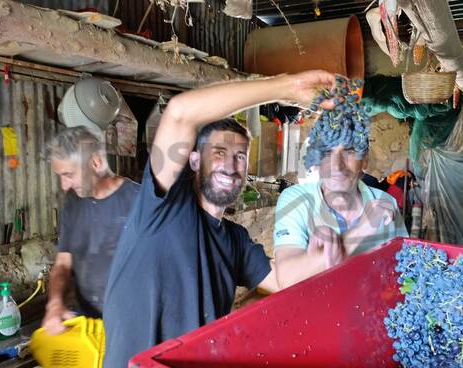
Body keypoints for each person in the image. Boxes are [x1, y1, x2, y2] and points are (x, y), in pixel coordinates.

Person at [102, 70, 337, 367]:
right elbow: (179, 113)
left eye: (240, 157)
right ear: (195, 159)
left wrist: (325, 253)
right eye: (220, 152)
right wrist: (285, 88)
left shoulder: (235, 239)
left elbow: (281, 279)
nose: (230, 165)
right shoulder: (163, 205)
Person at [273, 132, 409, 290]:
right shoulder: (296, 199)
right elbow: (287, 279)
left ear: (365, 159)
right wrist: (361, 230)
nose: (337, 165)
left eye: (350, 151)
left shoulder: (385, 202)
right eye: (327, 152)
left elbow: (404, 271)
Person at [42, 126, 139, 334]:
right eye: (60, 176)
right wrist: (55, 302)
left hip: (133, 328)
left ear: (96, 162)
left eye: (68, 175)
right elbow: (63, 264)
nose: (64, 185)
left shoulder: (139, 202)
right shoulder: (73, 203)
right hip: (90, 327)